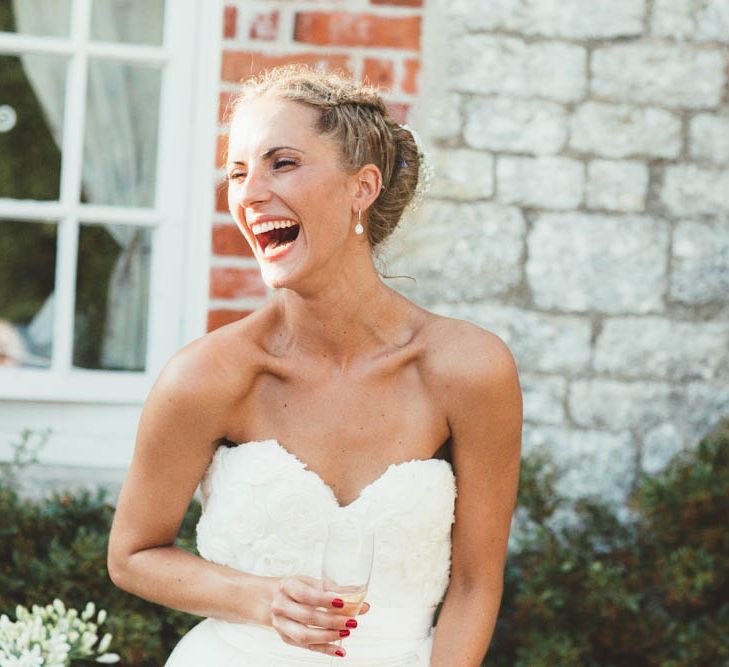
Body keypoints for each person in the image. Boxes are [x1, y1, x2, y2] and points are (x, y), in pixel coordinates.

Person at [107, 65, 522, 666]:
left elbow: (476, 582)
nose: (248, 195)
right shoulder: (207, 377)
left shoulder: (469, 370)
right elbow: (132, 554)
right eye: (238, 173)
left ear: (363, 187)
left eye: (282, 163)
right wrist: (257, 599)